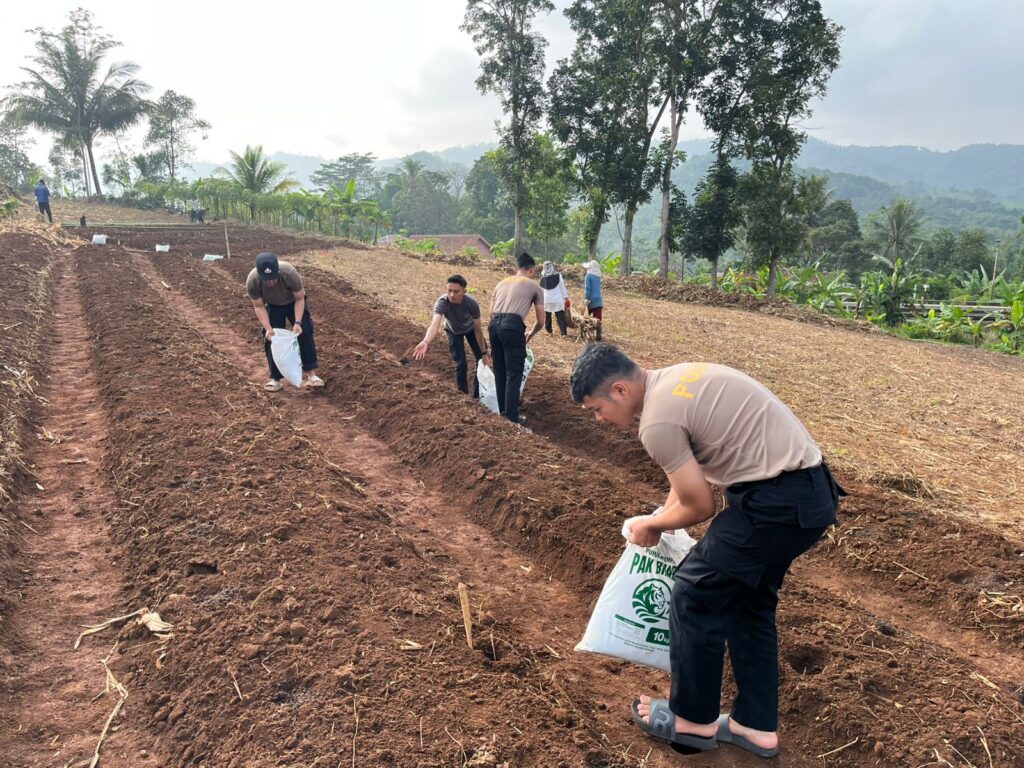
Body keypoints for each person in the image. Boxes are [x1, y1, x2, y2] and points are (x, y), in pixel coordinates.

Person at [570, 343, 845, 759]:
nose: (599, 420)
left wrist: (652, 525)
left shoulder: (656, 423)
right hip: (809, 494)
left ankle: (692, 721)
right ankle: (755, 728)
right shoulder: (676, 379)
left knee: (695, 594)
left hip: (774, 505)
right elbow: (685, 480)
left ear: (621, 390)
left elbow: (700, 506)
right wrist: (663, 513)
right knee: (749, 604)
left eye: (596, 408)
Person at [245, 252, 324, 392]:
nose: (270, 282)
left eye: (273, 278)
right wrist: (268, 328)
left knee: (304, 332)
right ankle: (275, 378)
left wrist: (298, 323)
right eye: (266, 280)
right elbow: (258, 306)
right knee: (272, 338)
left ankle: (312, 375)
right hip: (272, 305)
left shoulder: (289, 272)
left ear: (277, 271)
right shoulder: (253, 280)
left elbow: (300, 299)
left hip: (294, 302)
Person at [488, 252, 544, 425]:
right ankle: (511, 418)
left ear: (517, 268)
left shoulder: (501, 283)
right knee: (514, 372)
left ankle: (503, 412)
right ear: (532, 270)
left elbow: (490, 312)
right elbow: (541, 321)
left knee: (500, 371)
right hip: (512, 325)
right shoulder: (535, 286)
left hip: (494, 325)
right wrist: (531, 333)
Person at [413, 275, 492, 397]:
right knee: (461, 363)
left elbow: (478, 330)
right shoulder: (442, 302)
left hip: (470, 329)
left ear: (464, 291)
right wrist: (425, 341)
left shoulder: (472, 304)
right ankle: (463, 395)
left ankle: (477, 395)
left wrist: (483, 352)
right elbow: (435, 325)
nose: (452, 295)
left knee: (481, 361)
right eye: (449, 291)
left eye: (456, 291)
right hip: (453, 330)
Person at [539, 261, 569, 335]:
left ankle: (549, 332)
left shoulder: (543, 275)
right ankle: (563, 332)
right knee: (560, 315)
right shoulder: (558, 275)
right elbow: (562, 287)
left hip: (546, 299)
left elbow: (541, 289)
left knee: (547, 315)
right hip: (557, 299)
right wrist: (566, 297)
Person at [583, 260, 604, 341]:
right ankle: (599, 336)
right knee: (598, 320)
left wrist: (586, 298)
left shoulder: (588, 276)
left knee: (585, 318)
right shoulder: (598, 276)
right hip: (598, 300)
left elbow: (588, 289)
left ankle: (585, 333)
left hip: (591, 300)